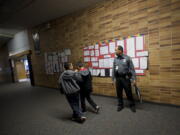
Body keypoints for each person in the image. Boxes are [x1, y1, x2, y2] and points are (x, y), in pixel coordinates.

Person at [112, 46, 136, 112]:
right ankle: (120, 105)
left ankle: (132, 105)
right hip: (118, 78)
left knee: (129, 92)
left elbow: (132, 69)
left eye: (116, 50)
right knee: (119, 93)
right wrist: (113, 78)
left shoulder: (127, 58)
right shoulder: (115, 59)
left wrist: (134, 79)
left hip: (126, 78)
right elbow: (113, 69)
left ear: (120, 50)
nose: (115, 52)